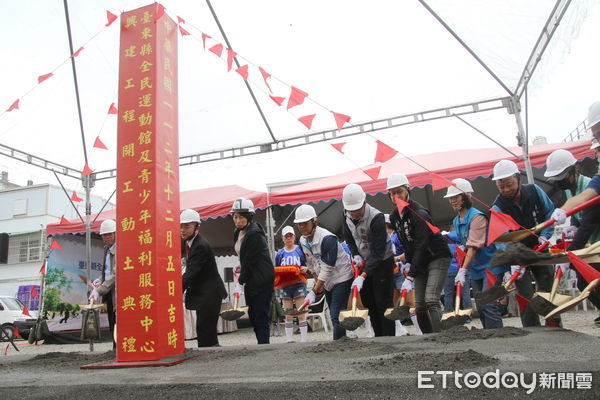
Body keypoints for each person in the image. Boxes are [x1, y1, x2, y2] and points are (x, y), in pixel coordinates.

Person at [491, 159, 560, 327]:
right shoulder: (498, 206)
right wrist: (512, 259)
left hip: (540, 247)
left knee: (547, 286)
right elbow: (500, 237)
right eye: (502, 186)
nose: (506, 189)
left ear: (518, 179)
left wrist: (545, 237)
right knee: (524, 295)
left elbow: (549, 213)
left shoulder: (534, 191)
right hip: (518, 255)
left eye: (510, 184)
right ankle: (532, 330)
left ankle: (554, 326)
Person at [386, 174, 451, 333]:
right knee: (419, 305)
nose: (396, 196)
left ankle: (441, 337)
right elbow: (407, 243)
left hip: (437, 256)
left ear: (407, 190)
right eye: (392, 193)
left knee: (431, 300)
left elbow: (421, 244)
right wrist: (408, 263)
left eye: (399, 192)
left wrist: (410, 275)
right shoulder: (394, 216)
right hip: (419, 260)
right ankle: (429, 338)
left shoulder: (419, 213)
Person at [444, 178, 508, 329]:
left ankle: (499, 337)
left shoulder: (477, 217)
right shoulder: (456, 221)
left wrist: (462, 270)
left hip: (490, 266)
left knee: (488, 302)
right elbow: (463, 244)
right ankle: (488, 334)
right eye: (450, 198)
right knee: (480, 305)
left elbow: (472, 246)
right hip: (476, 268)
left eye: (456, 197)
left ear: (466, 197)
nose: (453, 201)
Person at [342, 183, 395, 337]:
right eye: (351, 211)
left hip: (383, 262)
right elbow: (349, 239)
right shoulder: (346, 215)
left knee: (383, 302)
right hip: (365, 262)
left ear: (364, 203)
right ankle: (379, 337)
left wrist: (362, 276)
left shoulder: (376, 217)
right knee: (370, 302)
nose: (355, 214)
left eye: (357, 210)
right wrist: (355, 254)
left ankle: (389, 339)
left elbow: (378, 253)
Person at [295, 204, 353, 340]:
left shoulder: (327, 239)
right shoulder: (303, 240)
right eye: (299, 224)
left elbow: (328, 267)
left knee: (335, 312)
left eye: (305, 223)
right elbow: (311, 263)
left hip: (341, 276)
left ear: (314, 222)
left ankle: (339, 341)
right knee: (336, 312)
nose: (301, 227)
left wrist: (314, 291)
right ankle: (342, 339)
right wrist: (317, 284)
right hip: (326, 280)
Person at [180, 209, 227, 347]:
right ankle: (212, 359)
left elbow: (191, 272)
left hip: (210, 293)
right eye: (181, 226)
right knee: (205, 330)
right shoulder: (189, 243)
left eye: (187, 226)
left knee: (205, 329)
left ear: (197, 228)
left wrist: (175, 289)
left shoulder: (200, 245)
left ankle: (211, 360)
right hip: (205, 293)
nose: (183, 230)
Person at [231, 198, 275, 344]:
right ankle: (260, 343)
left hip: (262, 279)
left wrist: (240, 282)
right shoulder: (238, 232)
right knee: (252, 315)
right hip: (250, 277)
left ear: (249, 217)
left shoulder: (254, 234)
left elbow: (249, 261)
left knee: (260, 315)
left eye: (241, 217)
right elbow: (243, 259)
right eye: (235, 217)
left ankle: (264, 346)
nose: (237, 221)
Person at [274, 225, 309, 343]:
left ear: (294, 237)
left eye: (290, 236)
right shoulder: (280, 253)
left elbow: (307, 263)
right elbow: (277, 267)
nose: (288, 239)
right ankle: (289, 339)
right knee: (288, 313)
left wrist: (306, 268)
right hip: (285, 285)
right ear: (283, 238)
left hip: (299, 283)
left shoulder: (300, 249)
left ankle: (303, 338)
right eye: (286, 236)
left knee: (301, 311)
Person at [89, 219, 117, 347]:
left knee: (117, 320)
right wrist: (100, 279)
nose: (107, 238)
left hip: (117, 291)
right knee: (111, 318)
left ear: (115, 234)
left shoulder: (118, 250)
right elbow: (107, 271)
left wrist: (99, 290)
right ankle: (114, 347)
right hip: (109, 291)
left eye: (109, 234)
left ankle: (118, 347)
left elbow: (115, 275)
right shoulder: (107, 249)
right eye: (104, 235)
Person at [385, 214, 409, 336]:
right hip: (390, 273)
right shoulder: (386, 237)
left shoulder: (397, 236)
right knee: (392, 302)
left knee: (409, 298)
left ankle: (418, 328)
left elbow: (408, 250)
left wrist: (401, 260)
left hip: (401, 271)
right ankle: (399, 327)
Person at [441, 231, 472, 317]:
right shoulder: (463, 241)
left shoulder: (444, 243)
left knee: (448, 294)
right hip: (462, 270)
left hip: (448, 271)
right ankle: (467, 314)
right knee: (465, 293)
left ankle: (448, 314)